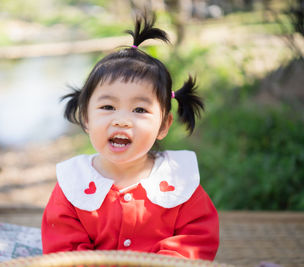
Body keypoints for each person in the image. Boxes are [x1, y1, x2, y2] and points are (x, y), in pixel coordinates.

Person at [41, 11, 219, 260]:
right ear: (85, 118)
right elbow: (63, 250)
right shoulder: (73, 184)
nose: (122, 120)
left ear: (163, 126)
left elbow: (195, 240)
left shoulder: (179, 180)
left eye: (139, 109)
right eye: (108, 107)